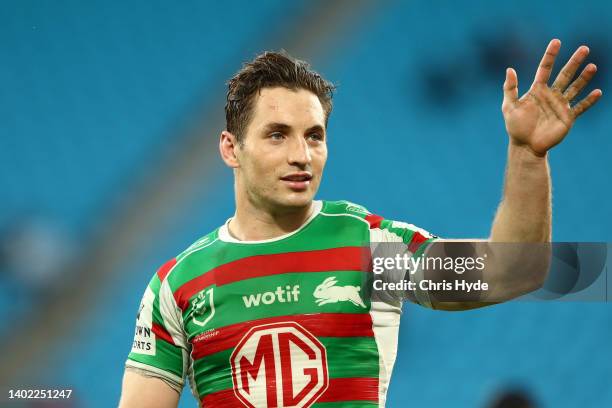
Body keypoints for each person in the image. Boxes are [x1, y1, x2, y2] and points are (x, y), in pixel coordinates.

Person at [119, 40, 602, 407]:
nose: (301, 155)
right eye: (277, 136)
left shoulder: (371, 248)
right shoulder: (177, 286)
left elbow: (513, 271)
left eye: (314, 136)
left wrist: (528, 155)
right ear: (230, 148)